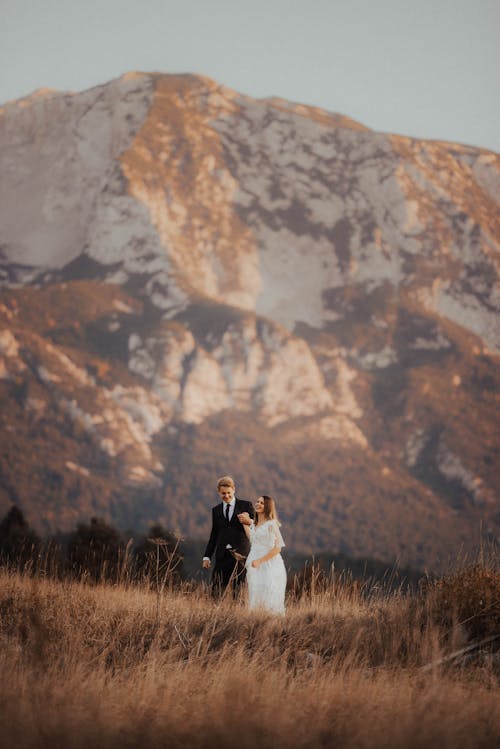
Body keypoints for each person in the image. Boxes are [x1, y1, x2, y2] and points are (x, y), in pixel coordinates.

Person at [202, 476, 255, 595]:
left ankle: (238, 613)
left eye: (228, 493)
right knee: (216, 590)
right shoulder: (215, 510)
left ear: (234, 489)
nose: (226, 496)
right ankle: (215, 613)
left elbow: (258, 526)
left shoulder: (246, 505)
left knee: (239, 590)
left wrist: (249, 521)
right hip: (222, 555)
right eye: (223, 493)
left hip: (241, 555)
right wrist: (207, 556)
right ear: (218, 492)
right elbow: (214, 534)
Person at [237, 495, 287, 615]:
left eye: (262, 503)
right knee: (255, 593)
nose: (258, 504)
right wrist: (245, 523)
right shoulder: (255, 524)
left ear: (268, 507)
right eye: (258, 502)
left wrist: (260, 561)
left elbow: (278, 547)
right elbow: (253, 540)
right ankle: (258, 622)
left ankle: (273, 625)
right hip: (254, 564)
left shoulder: (271, 524)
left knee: (269, 592)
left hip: (269, 564)